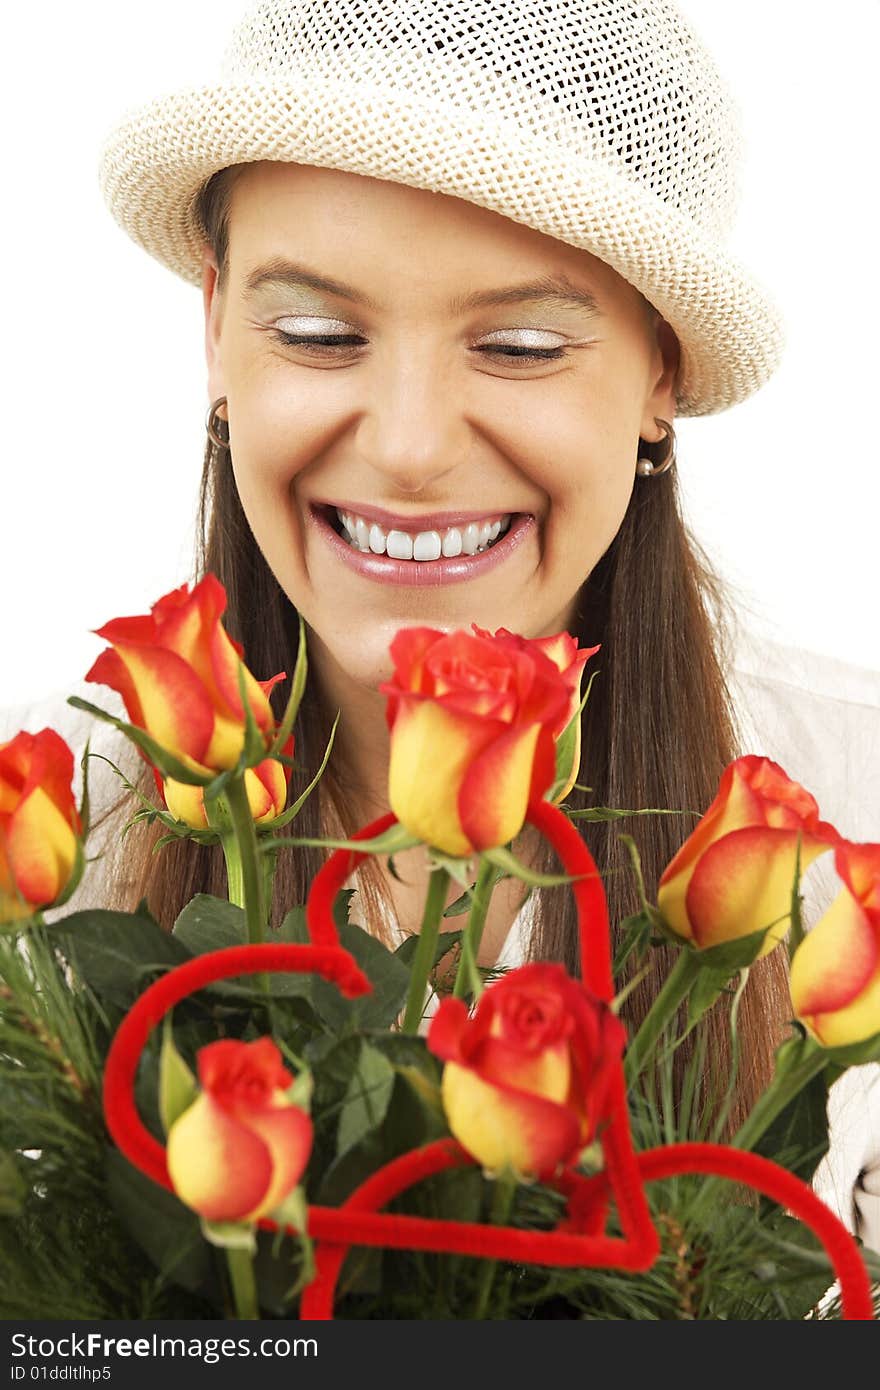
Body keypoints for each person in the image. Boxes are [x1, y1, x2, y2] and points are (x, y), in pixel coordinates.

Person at [4, 0, 879, 1254]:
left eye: (519, 346)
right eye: (317, 333)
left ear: (661, 375)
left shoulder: (859, 804)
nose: (409, 448)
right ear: (213, 330)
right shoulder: (42, 826)